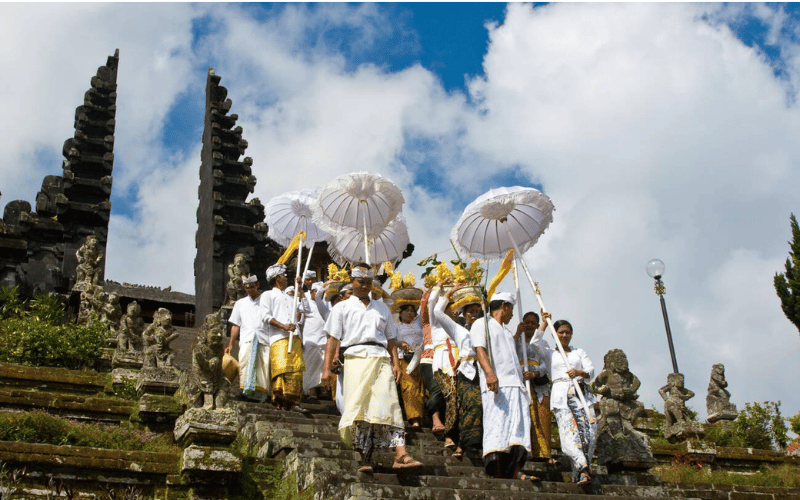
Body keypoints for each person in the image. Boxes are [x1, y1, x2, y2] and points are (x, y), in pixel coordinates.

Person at [321, 263, 424, 473]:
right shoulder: (341, 307)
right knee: (359, 410)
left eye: (369, 282)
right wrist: (325, 370)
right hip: (354, 358)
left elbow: (391, 339)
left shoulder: (382, 307)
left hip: (381, 358)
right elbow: (332, 339)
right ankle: (364, 457)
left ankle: (401, 454)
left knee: (391, 405)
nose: (365, 286)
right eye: (361, 281)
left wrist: (396, 363)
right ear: (352, 281)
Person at [470, 292, 534, 480]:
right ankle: (496, 473)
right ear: (504, 306)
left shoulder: (506, 331)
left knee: (518, 433)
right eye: (511, 309)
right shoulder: (482, 324)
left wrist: (517, 335)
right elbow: (479, 349)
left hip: (516, 386)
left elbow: (507, 352)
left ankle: (513, 473)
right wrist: (490, 373)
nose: (513, 314)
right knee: (498, 430)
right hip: (497, 386)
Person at [532, 314, 596, 485]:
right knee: (569, 433)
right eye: (561, 332)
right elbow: (534, 343)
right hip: (561, 395)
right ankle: (583, 466)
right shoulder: (549, 353)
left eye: (568, 332)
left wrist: (579, 372)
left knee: (589, 432)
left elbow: (590, 369)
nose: (564, 335)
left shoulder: (578, 352)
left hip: (581, 393)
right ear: (555, 334)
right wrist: (545, 323)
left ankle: (581, 473)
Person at [429, 283, 484, 459]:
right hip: (454, 368)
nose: (473, 315)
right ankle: (450, 437)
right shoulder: (456, 328)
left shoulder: (484, 329)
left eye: (477, 311)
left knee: (470, 405)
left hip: (478, 372)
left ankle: (466, 443)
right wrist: (448, 292)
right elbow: (436, 311)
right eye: (470, 311)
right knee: (453, 398)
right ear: (463, 312)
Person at [261, 263, 310, 412]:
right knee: (282, 370)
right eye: (285, 276)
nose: (287, 279)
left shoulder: (291, 297)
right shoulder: (268, 295)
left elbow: (306, 309)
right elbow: (265, 316)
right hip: (278, 338)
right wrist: (283, 326)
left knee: (296, 371)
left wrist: (300, 288)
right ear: (277, 278)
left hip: (294, 337)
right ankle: (279, 401)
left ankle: (294, 403)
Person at [227, 275, 270, 401]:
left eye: (252, 287)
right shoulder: (240, 304)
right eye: (247, 288)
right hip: (247, 338)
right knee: (245, 364)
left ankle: (261, 394)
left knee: (263, 366)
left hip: (264, 338)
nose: (250, 290)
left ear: (257, 285)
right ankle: (245, 392)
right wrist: (231, 344)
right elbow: (235, 325)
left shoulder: (266, 301)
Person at [518, 312, 553, 463]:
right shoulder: (516, 341)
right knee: (525, 415)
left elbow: (546, 363)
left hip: (539, 381)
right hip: (521, 379)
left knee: (542, 415)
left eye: (533, 323)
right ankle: (525, 450)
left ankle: (543, 453)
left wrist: (536, 373)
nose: (530, 325)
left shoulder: (542, 343)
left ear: (537, 326)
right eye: (527, 322)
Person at [394, 303, 425, 429]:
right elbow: (390, 341)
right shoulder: (395, 326)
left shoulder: (418, 324)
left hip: (421, 359)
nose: (410, 313)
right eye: (406, 310)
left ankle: (422, 416)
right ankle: (414, 418)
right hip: (404, 360)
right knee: (409, 388)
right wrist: (400, 343)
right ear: (400, 313)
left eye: (412, 310)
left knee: (421, 389)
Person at [301, 272, 327, 399]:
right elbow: (299, 321)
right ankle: (310, 390)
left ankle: (321, 389)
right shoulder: (303, 298)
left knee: (322, 366)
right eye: (314, 291)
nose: (316, 293)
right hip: (309, 338)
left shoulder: (326, 301)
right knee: (309, 366)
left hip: (324, 337)